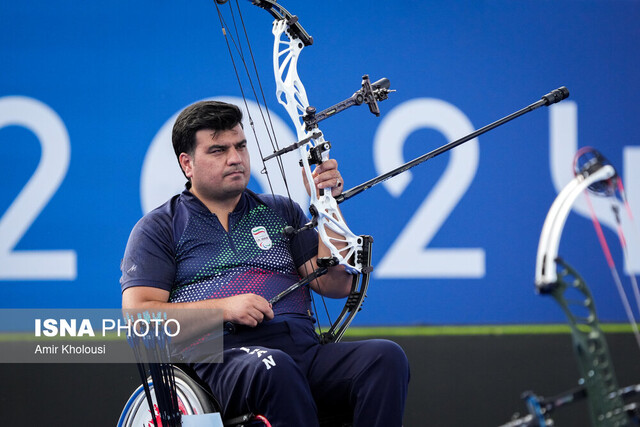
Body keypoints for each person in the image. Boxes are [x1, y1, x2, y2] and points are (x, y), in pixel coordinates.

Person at [120, 100, 409, 426]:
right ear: (187, 164)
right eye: (218, 150)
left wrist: (326, 203)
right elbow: (140, 319)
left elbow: (336, 283)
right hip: (224, 359)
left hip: (303, 350)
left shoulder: (280, 210)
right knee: (275, 367)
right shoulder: (159, 228)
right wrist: (224, 309)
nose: (235, 158)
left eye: (240, 146)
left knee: (384, 358)